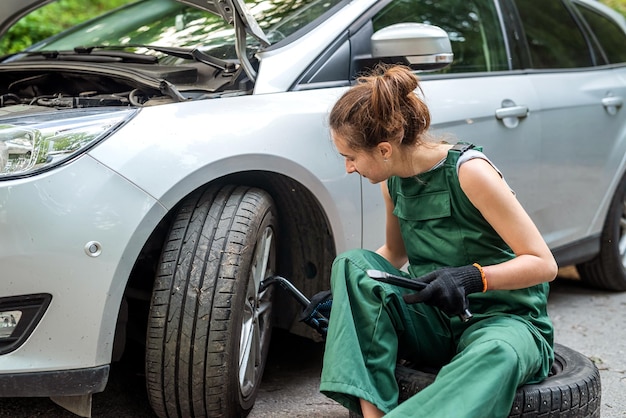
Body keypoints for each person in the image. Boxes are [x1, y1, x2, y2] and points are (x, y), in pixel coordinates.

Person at [319, 64, 557, 418]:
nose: (349, 168)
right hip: (433, 318)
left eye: (351, 157)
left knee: (498, 355)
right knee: (352, 265)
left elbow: (543, 264)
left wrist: (471, 277)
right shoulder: (393, 181)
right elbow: (394, 254)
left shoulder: (470, 172)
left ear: (384, 149)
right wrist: (345, 296)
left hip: (503, 321)